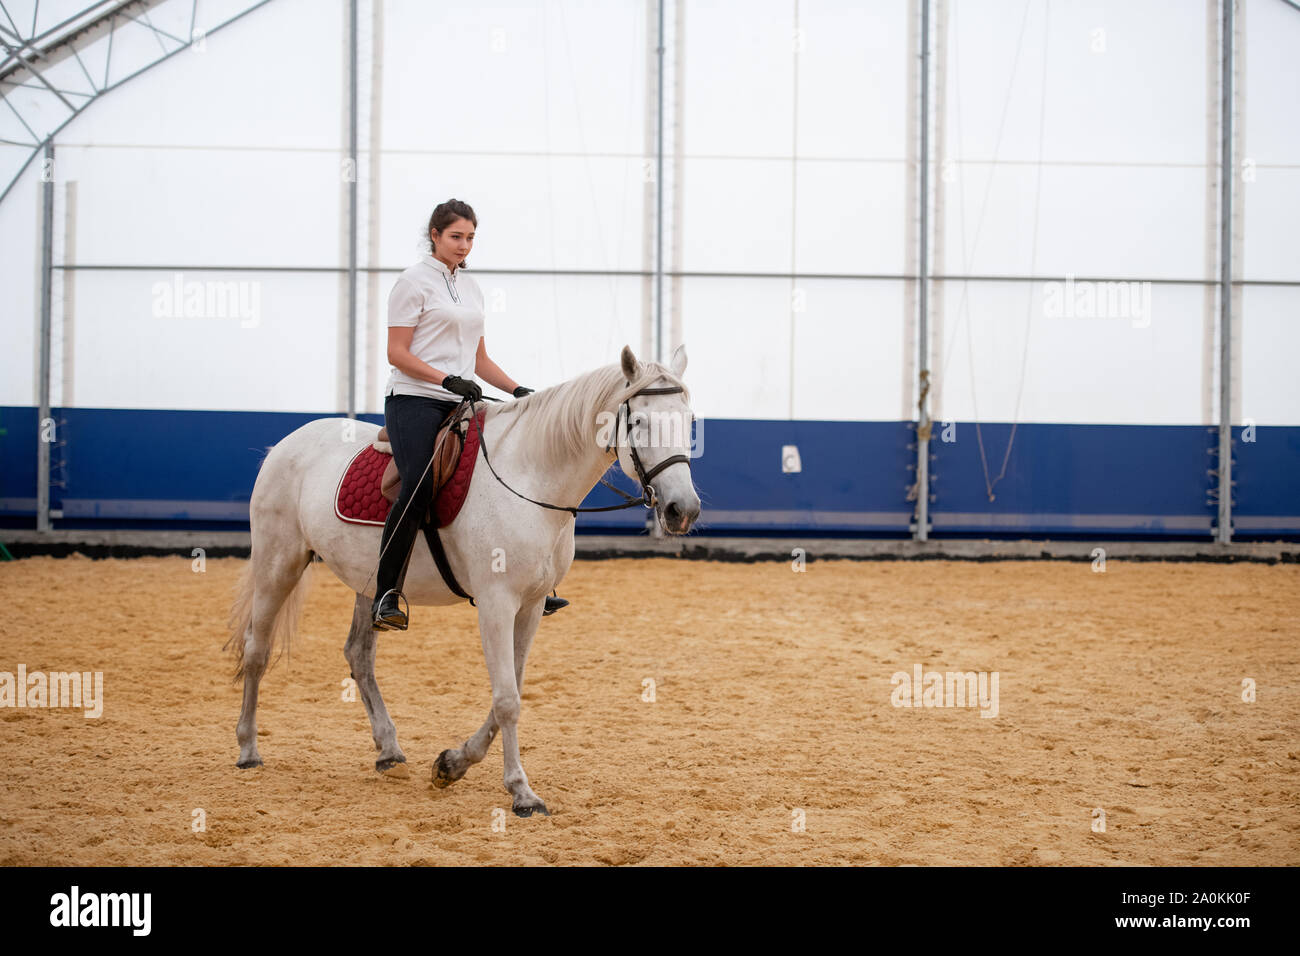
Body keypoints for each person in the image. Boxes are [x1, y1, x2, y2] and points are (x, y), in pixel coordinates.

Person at [372, 198, 569, 630]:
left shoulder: (472, 287)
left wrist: (517, 390)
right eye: (456, 237)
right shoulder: (412, 283)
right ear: (435, 236)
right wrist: (444, 380)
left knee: (512, 467)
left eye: (471, 238)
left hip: (462, 398)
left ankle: (531, 580)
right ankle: (386, 591)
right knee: (420, 482)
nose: (464, 246)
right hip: (414, 399)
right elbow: (396, 353)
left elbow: (479, 360)